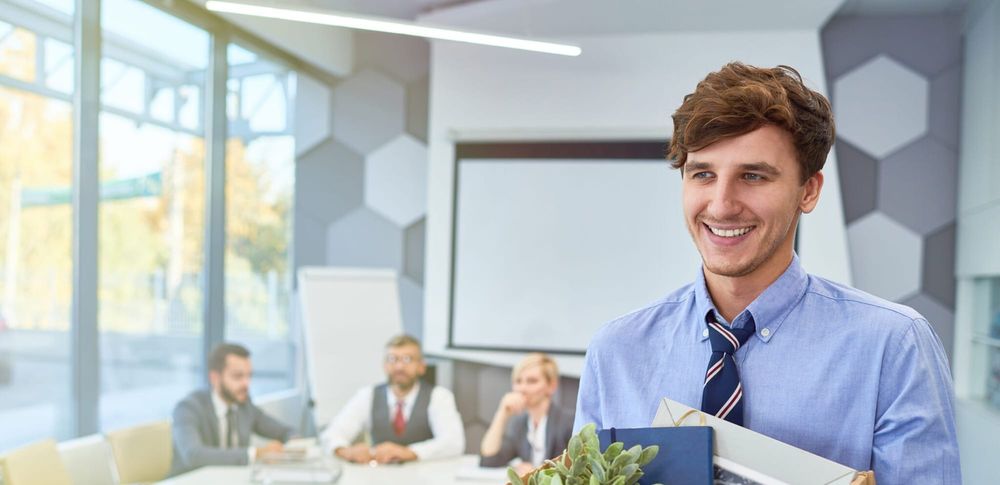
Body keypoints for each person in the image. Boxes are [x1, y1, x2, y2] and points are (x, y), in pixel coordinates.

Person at [573, 62, 960, 484]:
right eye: (702, 174)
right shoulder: (617, 350)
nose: (721, 205)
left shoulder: (893, 346)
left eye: (753, 176)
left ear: (808, 190)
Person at [321, 334, 464, 463]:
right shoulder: (368, 395)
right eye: (392, 359)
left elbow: (454, 442)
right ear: (384, 365)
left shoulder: (439, 396)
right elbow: (332, 433)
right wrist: (345, 450)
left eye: (407, 359)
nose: (399, 366)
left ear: (421, 367)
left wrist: (409, 452)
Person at [171, 343, 295, 475]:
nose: (246, 384)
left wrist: (295, 443)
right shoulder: (188, 408)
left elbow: (285, 431)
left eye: (249, 376)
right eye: (238, 376)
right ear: (215, 378)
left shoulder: (244, 405)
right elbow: (193, 455)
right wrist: (255, 454)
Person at [480, 353, 574, 475]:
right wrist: (502, 413)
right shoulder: (520, 424)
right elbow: (489, 460)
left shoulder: (569, 422)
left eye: (532, 381)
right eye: (518, 381)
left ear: (551, 386)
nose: (522, 388)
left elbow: (575, 473)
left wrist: (537, 472)